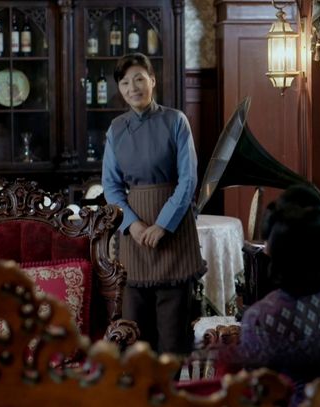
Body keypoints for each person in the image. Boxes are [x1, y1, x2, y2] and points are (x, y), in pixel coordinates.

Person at [227, 185, 320, 406]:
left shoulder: (263, 317)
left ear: (278, 250)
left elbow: (255, 393)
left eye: (267, 242)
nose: (264, 249)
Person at [102, 53, 205, 354]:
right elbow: (111, 186)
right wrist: (132, 225)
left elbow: (188, 179)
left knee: (173, 338)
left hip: (174, 232)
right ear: (120, 89)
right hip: (133, 239)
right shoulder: (115, 129)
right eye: (124, 82)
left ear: (153, 81)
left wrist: (163, 225)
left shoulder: (176, 120)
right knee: (136, 335)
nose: (132, 87)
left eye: (139, 79)